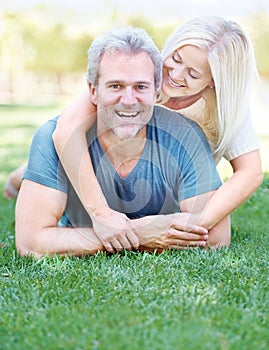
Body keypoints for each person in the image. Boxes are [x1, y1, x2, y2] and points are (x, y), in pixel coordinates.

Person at [9, 16, 261, 252]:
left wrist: (189, 223)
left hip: (173, 179)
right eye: (175, 58)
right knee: (50, 156)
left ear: (213, 81)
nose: (174, 75)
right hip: (96, 157)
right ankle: (24, 175)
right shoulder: (141, 71)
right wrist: (105, 217)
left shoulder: (227, 108)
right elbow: (65, 132)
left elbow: (250, 172)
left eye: (193, 73)